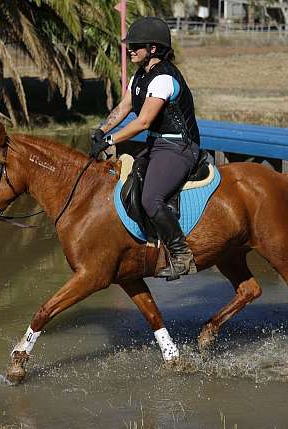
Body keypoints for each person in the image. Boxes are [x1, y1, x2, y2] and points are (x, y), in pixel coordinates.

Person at [90, 16, 200, 279]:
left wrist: (111, 140)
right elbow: (123, 108)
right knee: (126, 183)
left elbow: (144, 120)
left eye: (136, 45)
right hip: (157, 143)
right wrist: (101, 130)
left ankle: (182, 254)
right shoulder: (141, 76)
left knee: (151, 198)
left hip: (179, 147)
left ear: (153, 48)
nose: (130, 50)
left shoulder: (164, 78)